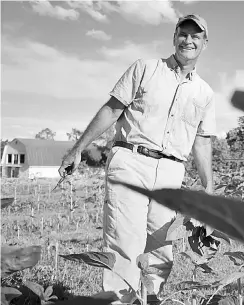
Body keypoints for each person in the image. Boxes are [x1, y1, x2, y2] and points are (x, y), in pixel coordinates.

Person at [58, 14, 215, 304]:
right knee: (125, 245)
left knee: (162, 247)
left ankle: (150, 299)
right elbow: (112, 109)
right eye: (183, 33)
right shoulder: (145, 68)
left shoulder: (204, 92)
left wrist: (209, 186)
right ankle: (121, 300)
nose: (188, 40)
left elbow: (201, 139)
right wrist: (78, 148)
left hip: (171, 171)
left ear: (205, 42)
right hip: (131, 160)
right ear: (174, 37)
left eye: (196, 35)